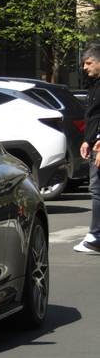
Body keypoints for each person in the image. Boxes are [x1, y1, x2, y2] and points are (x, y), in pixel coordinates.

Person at [77, 44, 100, 252]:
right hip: (94, 143)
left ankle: (96, 236)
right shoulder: (94, 84)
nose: (85, 67)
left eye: (89, 63)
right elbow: (93, 116)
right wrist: (88, 139)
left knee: (97, 189)